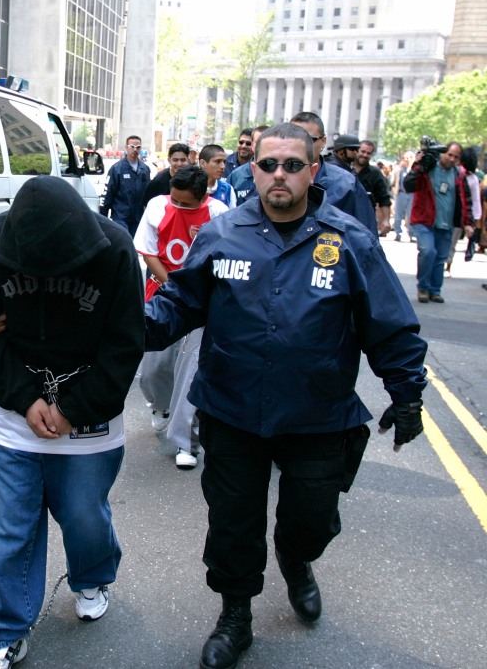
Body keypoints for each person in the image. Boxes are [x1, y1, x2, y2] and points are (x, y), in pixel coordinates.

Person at [143, 123, 428, 669]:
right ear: (253, 170)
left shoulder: (349, 241)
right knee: (233, 523)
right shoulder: (221, 234)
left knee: (310, 521)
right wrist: (118, 324)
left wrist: (406, 392)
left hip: (318, 417)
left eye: (292, 165)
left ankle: (298, 561)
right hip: (231, 411)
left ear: (312, 171)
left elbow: (390, 326)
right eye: (269, 164)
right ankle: (235, 614)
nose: (279, 174)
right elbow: (178, 305)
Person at [0, 175, 144, 669]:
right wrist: (24, 400)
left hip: (88, 409)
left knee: (84, 515)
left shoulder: (115, 247)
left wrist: (73, 408)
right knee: (10, 525)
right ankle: (3, 630)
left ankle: (91, 576)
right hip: (16, 408)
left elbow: (126, 343)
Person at [134, 165, 228, 468]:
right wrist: (172, 286)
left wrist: (192, 293)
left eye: (186, 203)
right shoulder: (157, 206)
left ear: (203, 198)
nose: (177, 206)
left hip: (200, 306)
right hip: (161, 296)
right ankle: (160, 406)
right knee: (154, 370)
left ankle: (187, 442)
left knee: (190, 373)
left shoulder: (219, 214)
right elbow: (148, 252)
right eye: (175, 199)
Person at [404, 141, 473, 303]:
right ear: (442, 153)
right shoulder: (428, 169)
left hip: (446, 223)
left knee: (441, 257)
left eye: (455, 156)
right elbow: (408, 185)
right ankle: (423, 288)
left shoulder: (459, 174)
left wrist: (468, 222)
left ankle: (435, 290)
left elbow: (466, 199)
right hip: (424, 220)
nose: (451, 159)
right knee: (428, 252)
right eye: (449, 154)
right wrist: (418, 165)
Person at [288, 113, 378, 235]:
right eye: (293, 138)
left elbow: (366, 236)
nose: (301, 145)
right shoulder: (270, 177)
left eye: (310, 140)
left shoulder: (346, 184)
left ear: (323, 141)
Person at [100, 135, 151, 235]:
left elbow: (148, 194)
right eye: (132, 147)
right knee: (123, 243)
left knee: (135, 247)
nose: (135, 150)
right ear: (126, 147)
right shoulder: (117, 169)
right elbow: (107, 193)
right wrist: (103, 217)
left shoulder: (145, 169)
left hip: (138, 218)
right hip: (120, 217)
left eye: (138, 147)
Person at [355, 140, 393, 235]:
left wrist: (386, 220)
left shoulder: (375, 174)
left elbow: (384, 198)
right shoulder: (344, 169)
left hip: (365, 220)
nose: (365, 155)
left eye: (368, 153)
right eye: (362, 151)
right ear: (356, 150)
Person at [142, 142, 191, 207]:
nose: (179, 164)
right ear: (169, 160)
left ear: (188, 160)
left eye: (183, 160)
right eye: (175, 160)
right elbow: (147, 205)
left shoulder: (193, 179)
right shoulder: (158, 181)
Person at [391, 151, 415, 242]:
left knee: (411, 215)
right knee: (398, 214)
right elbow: (393, 182)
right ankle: (398, 233)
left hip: (411, 194)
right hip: (401, 193)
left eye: (407, 158)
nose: (405, 160)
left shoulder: (413, 170)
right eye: (404, 158)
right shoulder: (399, 170)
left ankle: (412, 234)